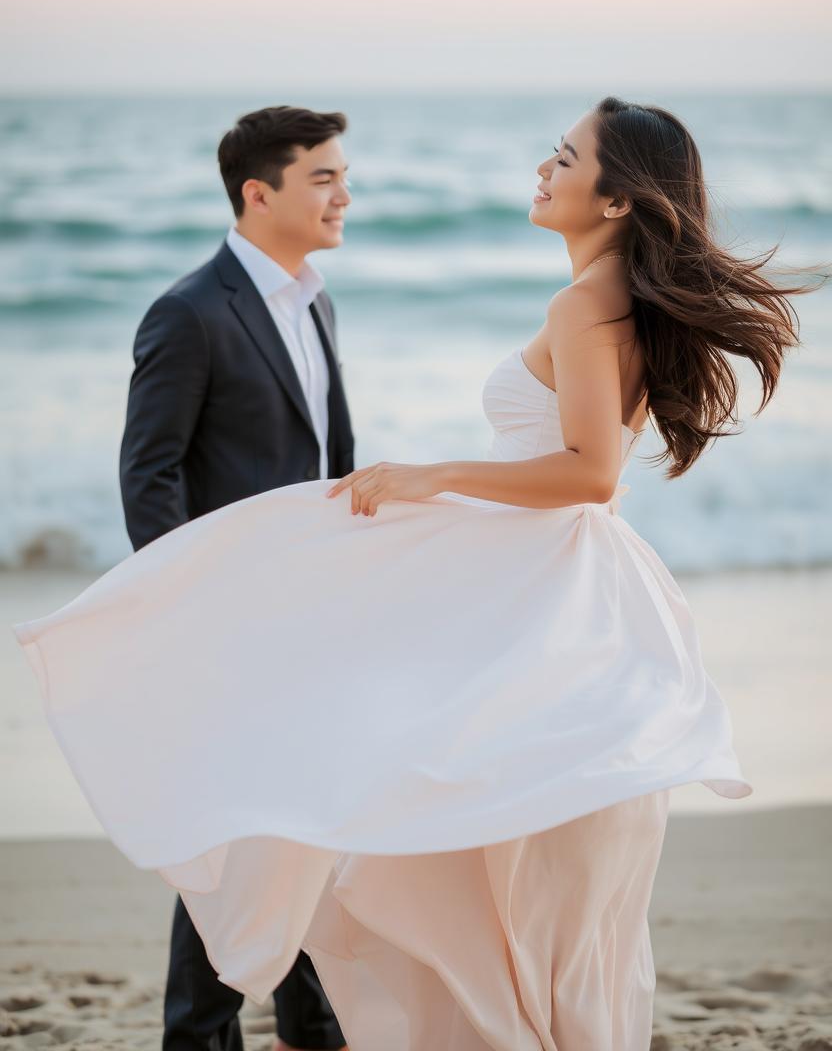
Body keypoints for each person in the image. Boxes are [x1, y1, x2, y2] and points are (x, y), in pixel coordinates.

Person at [15, 96, 826, 1050]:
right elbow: (155, 469)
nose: (544, 167)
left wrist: (433, 476)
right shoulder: (609, 299)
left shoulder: (583, 303)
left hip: (541, 594)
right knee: (455, 855)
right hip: (552, 597)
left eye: (566, 157)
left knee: (420, 846)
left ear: (615, 201)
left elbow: (592, 475)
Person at [118, 105, 354, 1051]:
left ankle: (311, 1022)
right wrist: (188, 613)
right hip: (225, 626)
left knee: (303, 826)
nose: (346, 193)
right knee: (235, 845)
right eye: (324, 178)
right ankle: (203, 1034)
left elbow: (329, 465)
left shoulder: (317, 300)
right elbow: (150, 472)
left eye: (343, 175)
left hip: (310, 621)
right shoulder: (189, 312)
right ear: (259, 194)